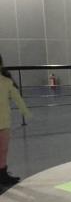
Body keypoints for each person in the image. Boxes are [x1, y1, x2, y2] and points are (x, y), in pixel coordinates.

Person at [0, 54, 32, 187]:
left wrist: (25, 111)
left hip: (4, 123)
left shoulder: (6, 81)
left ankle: (3, 175)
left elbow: (17, 97)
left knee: (3, 150)